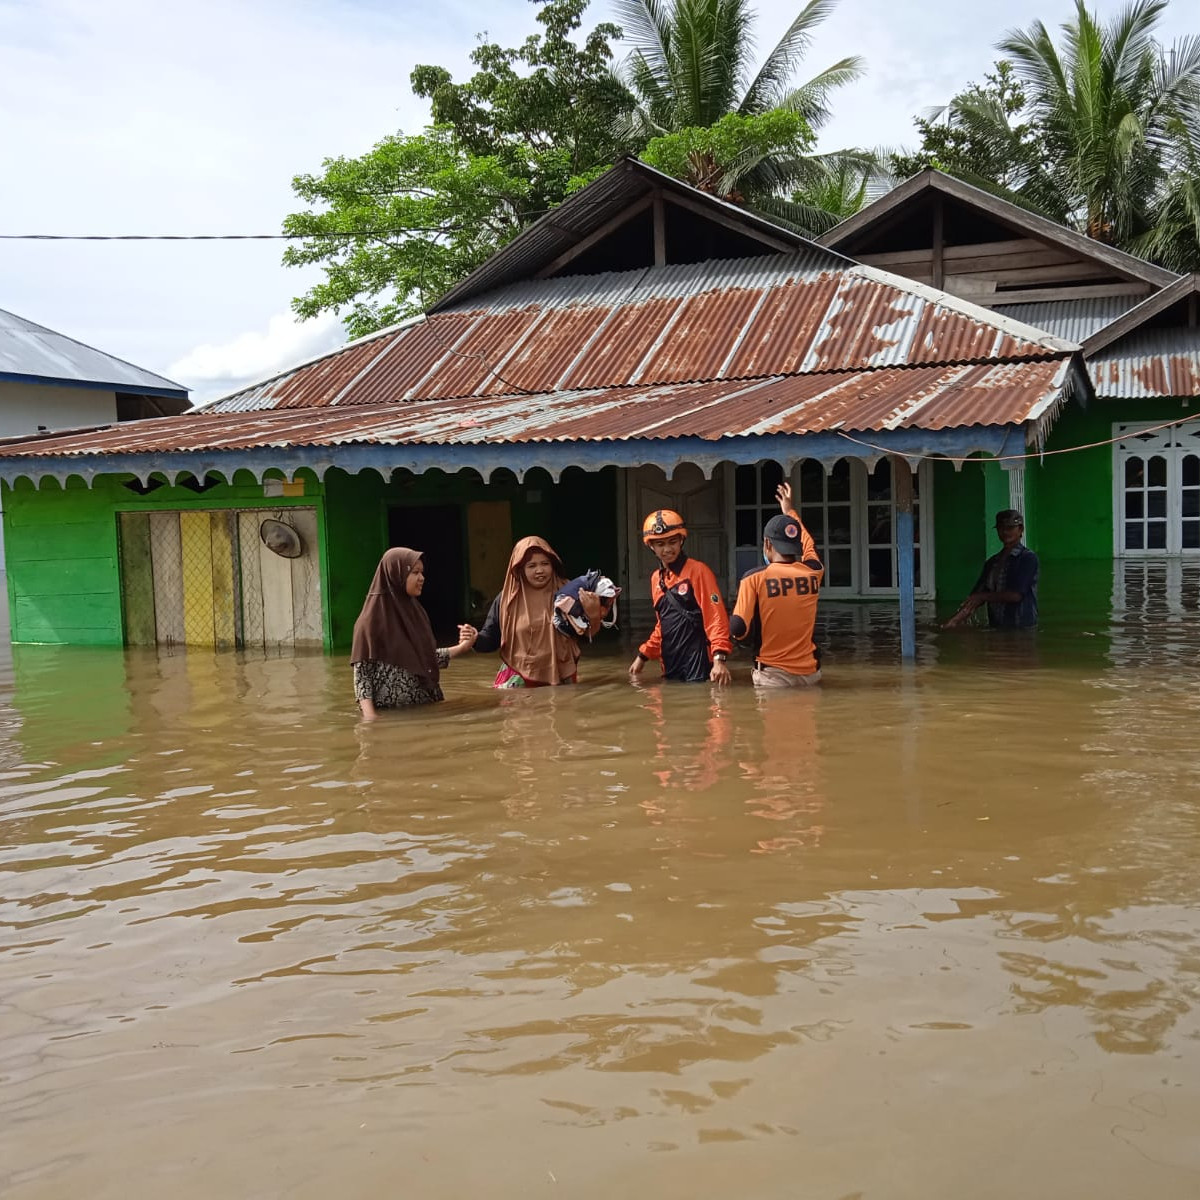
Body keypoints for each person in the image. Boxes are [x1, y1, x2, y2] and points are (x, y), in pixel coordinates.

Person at [351, 547, 477, 720]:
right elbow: (362, 675)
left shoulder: (416, 614)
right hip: (391, 719)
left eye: (422, 573)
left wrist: (462, 647)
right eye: (415, 572)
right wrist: (371, 718)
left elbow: (424, 660)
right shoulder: (369, 622)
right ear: (397, 574)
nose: (422, 578)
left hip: (426, 710)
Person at [730, 482, 824, 688]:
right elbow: (809, 544)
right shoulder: (814, 572)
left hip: (772, 677)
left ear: (767, 544)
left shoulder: (753, 578)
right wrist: (790, 512)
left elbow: (738, 628)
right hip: (810, 674)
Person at [474, 536, 597, 687]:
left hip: (562, 676)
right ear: (519, 569)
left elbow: (586, 636)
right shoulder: (507, 600)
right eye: (531, 566)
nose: (540, 570)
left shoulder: (568, 592)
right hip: (518, 680)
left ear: (553, 565)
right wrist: (474, 639)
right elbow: (490, 640)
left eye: (545, 564)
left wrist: (593, 614)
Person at [628, 508, 732, 685]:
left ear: (681, 541)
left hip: (699, 662)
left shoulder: (698, 572)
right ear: (651, 546)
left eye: (672, 542)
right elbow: (664, 625)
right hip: (670, 663)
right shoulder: (656, 579)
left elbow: (715, 617)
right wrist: (643, 656)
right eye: (660, 544)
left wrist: (719, 659)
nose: (667, 549)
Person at [943, 509, 1039, 629]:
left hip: (1022, 629)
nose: (1005, 532)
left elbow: (1016, 595)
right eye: (1001, 528)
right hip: (997, 628)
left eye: (1010, 528)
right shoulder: (992, 562)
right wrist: (953, 622)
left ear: (1020, 530)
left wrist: (983, 596)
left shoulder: (1028, 559)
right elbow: (975, 597)